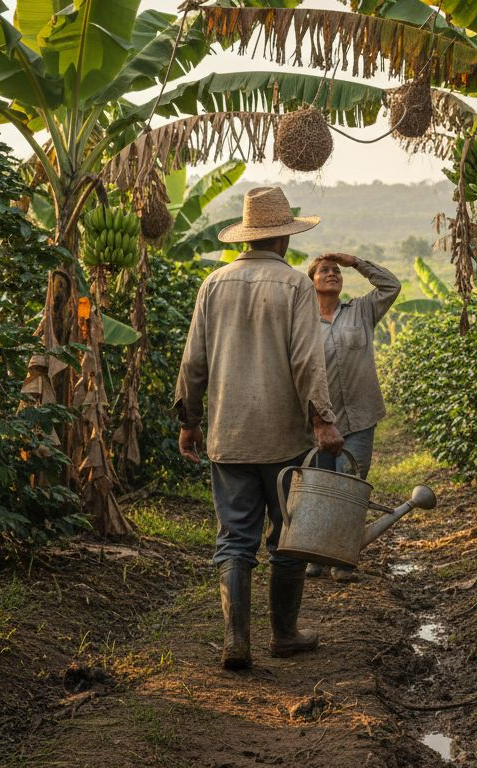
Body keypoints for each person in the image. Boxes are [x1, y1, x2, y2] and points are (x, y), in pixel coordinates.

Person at [174, 186, 344, 671]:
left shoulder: (215, 283)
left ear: (249, 237)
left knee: (234, 537)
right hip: (282, 437)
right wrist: (323, 420)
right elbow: (307, 361)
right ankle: (284, 634)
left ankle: (236, 641)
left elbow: (194, 362)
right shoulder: (293, 286)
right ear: (283, 239)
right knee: (286, 537)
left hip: (228, 436)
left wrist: (189, 422)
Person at [304, 252, 401, 582]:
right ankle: (316, 553)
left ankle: (343, 559)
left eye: (335, 271)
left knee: (350, 486)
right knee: (319, 487)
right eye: (324, 271)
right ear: (312, 281)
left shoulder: (361, 310)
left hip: (360, 415)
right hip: (317, 419)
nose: (332, 274)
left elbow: (391, 285)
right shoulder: (302, 322)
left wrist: (355, 262)